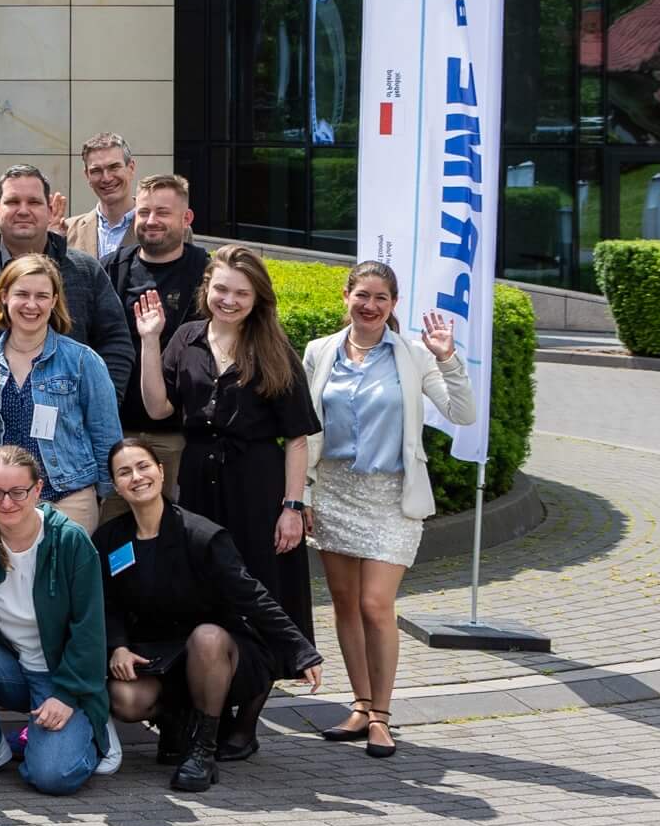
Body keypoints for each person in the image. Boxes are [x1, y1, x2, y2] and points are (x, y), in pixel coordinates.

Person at [131, 240, 319, 753]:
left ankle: (247, 721)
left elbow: (297, 439)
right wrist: (151, 342)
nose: (229, 300)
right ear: (206, 289)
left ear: (257, 298)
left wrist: (292, 507)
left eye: (241, 293)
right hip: (197, 487)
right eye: (221, 289)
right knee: (202, 595)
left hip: (257, 489)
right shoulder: (186, 338)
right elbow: (158, 407)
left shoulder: (275, 350)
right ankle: (200, 711)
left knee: (261, 595)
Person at [302, 261, 476, 759]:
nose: (370, 305)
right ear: (346, 296)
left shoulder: (415, 355)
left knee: (376, 605)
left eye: (381, 298)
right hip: (333, 491)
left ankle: (381, 714)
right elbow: (305, 428)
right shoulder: (319, 351)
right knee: (344, 604)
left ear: (393, 304)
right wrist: (303, 494)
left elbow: (462, 413)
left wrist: (448, 359)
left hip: (391, 499)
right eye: (362, 295)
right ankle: (359, 705)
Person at [96, 438, 323, 790]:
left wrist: (300, 649)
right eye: (124, 472)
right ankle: (176, 720)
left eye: (143, 467)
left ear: (161, 471)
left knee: (206, 637)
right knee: (125, 700)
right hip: (158, 653)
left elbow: (252, 595)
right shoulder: (110, 538)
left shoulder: (201, 534)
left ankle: (202, 749)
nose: (136, 477)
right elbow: (107, 603)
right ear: (116, 486)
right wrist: (119, 646)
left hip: (219, 652)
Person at [0, 443, 111, 791]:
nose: (7, 502)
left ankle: (92, 731)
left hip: (61, 675)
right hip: (11, 668)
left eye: (18, 492)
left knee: (53, 776)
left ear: (38, 489)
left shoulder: (69, 540)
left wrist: (68, 695)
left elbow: (89, 629)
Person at [0, 254, 124, 532]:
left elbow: (106, 433)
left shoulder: (82, 360)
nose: (32, 305)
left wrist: (104, 495)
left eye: (42, 296)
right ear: (4, 296)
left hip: (68, 497)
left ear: (54, 301)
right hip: (4, 501)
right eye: (22, 294)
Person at [0, 165, 135, 397]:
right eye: (13, 202)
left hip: (73, 418)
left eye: (33, 202)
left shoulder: (86, 271)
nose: (23, 211)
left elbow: (116, 343)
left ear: (50, 210)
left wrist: (99, 404)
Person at [106, 173, 208, 487]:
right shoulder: (110, 269)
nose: (152, 221)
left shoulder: (207, 275)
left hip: (179, 438)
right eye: (144, 212)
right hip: (118, 434)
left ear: (186, 218)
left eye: (163, 212)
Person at [65, 133, 137, 261]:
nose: (106, 178)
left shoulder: (158, 227)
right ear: (87, 176)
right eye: (96, 171)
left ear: (131, 168)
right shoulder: (67, 231)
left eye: (114, 167)